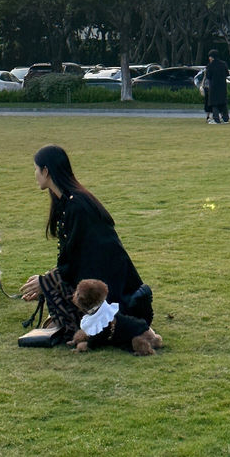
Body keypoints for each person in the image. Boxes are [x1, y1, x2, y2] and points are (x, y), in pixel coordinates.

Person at [20, 144, 153, 340]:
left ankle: (111, 325)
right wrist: (46, 284)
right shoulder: (69, 203)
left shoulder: (77, 206)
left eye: (36, 169)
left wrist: (46, 282)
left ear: (46, 171)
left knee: (77, 314)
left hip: (117, 294)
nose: (35, 174)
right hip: (107, 282)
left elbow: (80, 263)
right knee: (53, 289)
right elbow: (74, 259)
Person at [205, 49, 229, 123]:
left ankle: (216, 119)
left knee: (214, 103)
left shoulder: (210, 65)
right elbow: (227, 73)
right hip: (223, 86)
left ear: (212, 57)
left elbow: (208, 76)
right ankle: (225, 119)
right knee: (223, 102)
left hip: (214, 87)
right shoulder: (223, 64)